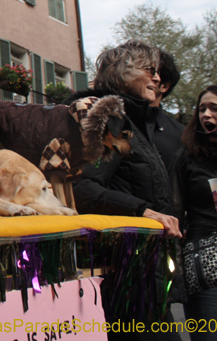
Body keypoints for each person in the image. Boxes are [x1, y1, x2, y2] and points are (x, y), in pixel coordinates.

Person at [69, 40, 181, 340]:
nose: (157, 78)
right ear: (122, 74)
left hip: (148, 270)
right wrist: (142, 210)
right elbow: (83, 187)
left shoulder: (133, 122)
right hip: (128, 275)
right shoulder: (113, 121)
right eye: (149, 69)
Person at [172, 85, 217, 340]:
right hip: (207, 270)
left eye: (214, 108)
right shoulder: (188, 157)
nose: (206, 114)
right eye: (202, 109)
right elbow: (174, 211)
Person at [151, 49, 185, 170]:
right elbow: (96, 166)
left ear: (164, 86)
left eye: (150, 72)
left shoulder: (182, 137)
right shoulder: (111, 125)